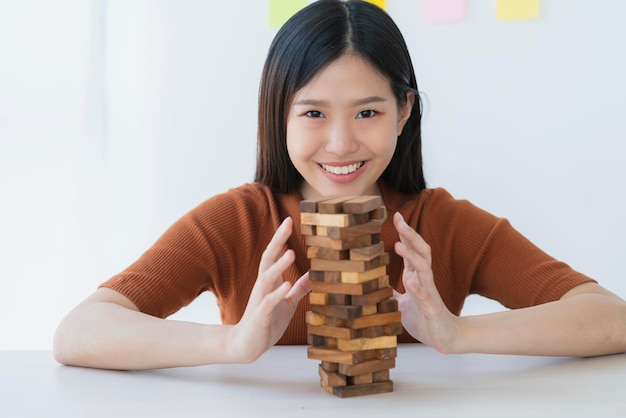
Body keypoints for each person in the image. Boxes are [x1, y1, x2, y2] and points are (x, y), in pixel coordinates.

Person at [54, 0, 626, 370]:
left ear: (405, 112)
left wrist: (456, 333)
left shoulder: (442, 225)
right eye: (313, 114)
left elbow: (610, 317)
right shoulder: (235, 222)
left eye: (368, 113)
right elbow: (80, 332)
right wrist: (232, 344)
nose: (340, 144)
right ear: (277, 116)